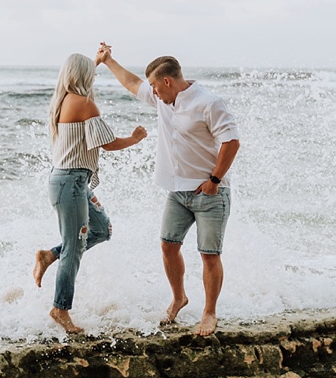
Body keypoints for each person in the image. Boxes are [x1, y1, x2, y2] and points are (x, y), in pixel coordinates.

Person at [96, 42, 241, 336]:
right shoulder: (163, 99)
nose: (153, 93)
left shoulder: (208, 102)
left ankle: (209, 313)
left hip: (209, 192)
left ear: (167, 81)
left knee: (209, 255)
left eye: (156, 86)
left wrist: (214, 181)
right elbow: (133, 83)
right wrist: (108, 60)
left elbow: (231, 141)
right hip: (177, 192)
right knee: (168, 246)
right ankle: (179, 298)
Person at [33, 52, 148, 334]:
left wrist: (97, 60)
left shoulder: (62, 100)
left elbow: (78, 69)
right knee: (74, 247)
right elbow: (107, 143)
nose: (94, 78)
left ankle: (49, 256)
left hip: (72, 182)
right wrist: (135, 138)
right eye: (92, 74)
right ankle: (60, 309)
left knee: (102, 230)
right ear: (84, 77)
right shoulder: (85, 104)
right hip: (70, 183)